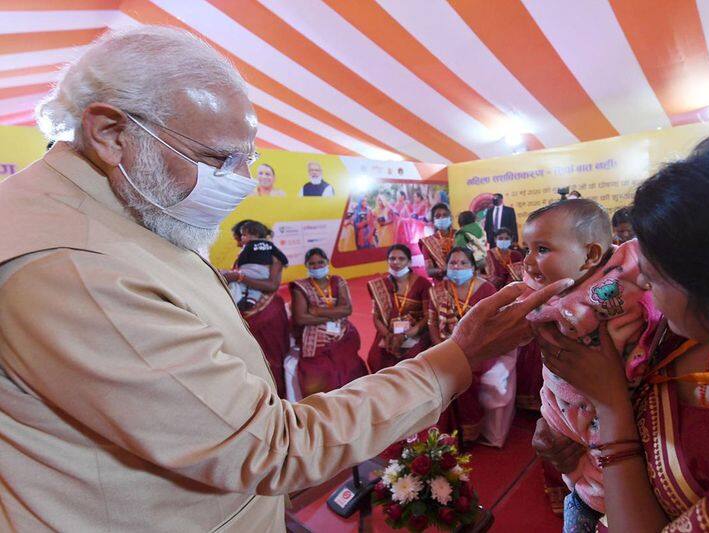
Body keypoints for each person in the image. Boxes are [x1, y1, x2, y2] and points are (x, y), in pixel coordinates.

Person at [0, 25, 577, 531]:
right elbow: (271, 448)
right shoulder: (74, 266)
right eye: (218, 159)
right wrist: (457, 356)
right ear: (109, 134)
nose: (243, 182)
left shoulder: (117, 206)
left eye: (246, 158)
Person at [534, 130, 709, 532]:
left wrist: (611, 409)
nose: (638, 280)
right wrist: (566, 436)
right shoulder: (697, 326)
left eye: (657, 277)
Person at [521, 199, 661, 527]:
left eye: (541, 249)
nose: (528, 262)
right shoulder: (562, 287)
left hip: (606, 412)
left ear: (591, 255)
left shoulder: (612, 292)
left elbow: (574, 322)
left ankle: (596, 495)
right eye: (525, 249)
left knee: (593, 474)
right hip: (565, 398)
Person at [429, 247, 518, 447]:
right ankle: (443, 430)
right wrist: (441, 348)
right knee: (435, 373)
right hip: (445, 346)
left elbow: (496, 325)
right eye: (452, 263)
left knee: (462, 377)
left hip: (481, 348)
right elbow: (432, 323)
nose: (457, 267)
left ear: (473, 267)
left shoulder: (487, 290)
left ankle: (469, 430)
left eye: (463, 263)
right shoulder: (438, 290)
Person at [221, 221, 291, 399]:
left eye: (242, 237)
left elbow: (272, 285)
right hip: (245, 315)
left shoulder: (272, 255)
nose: (240, 242)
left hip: (269, 314)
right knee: (250, 359)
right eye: (239, 238)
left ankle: (277, 398)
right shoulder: (244, 255)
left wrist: (239, 276)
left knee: (273, 359)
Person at [290, 248, 367, 396]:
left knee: (349, 365)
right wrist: (333, 315)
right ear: (306, 266)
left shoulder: (338, 281)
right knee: (321, 371)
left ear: (327, 263)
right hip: (314, 335)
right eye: (312, 264)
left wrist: (318, 312)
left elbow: (347, 309)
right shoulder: (301, 287)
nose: (317, 266)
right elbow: (300, 318)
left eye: (320, 262)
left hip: (342, 332)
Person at [367, 244, 432, 372]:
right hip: (388, 332)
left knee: (410, 360)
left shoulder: (422, 284)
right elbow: (376, 317)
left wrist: (408, 334)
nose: (396, 262)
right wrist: (388, 335)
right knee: (376, 358)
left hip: (415, 332)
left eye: (401, 259)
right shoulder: (381, 285)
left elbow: (427, 315)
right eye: (392, 259)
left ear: (409, 262)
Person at [419, 203, 455, 281]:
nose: (442, 218)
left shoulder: (460, 236)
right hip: (442, 284)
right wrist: (444, 270)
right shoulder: (428, 243)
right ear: (433, 221)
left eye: (445, 215)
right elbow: (429, 271)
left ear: (450, 218)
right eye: (438, 216)